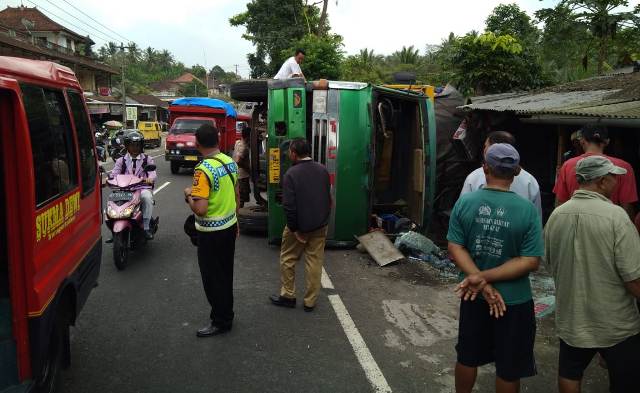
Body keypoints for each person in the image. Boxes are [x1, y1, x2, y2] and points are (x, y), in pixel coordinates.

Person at [447, 143, 543, 393]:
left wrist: (479, 280)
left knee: (467, 356)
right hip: (514, 301)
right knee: (509, 367)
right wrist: (485, 280)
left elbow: (455, 247)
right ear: (517, 171)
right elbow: (530, 261)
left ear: (485, 167)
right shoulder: (527, 211)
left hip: (473, 294)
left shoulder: (465, 203)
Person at [544, 155, 640, 393]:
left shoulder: (557, 215)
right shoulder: (617, 217)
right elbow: (632, 277)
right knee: (624, 379)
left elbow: (548, 262)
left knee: (570, 372)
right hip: (614, 321)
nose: (616, 182)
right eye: (613, 178)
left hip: (573, 317)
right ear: (602, 181)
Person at [184, 124, 239, 337]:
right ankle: (227, 314)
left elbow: (201, 209)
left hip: (211, 234)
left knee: (212, 278)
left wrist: (188, 194)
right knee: (226, 274)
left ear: (197, 143)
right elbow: (236, 195)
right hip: (229, 227)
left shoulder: (203, 170)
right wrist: (237, 223)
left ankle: (220, 321)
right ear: (217, 141)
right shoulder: (229, 162)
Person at [269, 138, 331, 312]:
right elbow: (328, 199)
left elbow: (289, 205)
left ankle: (288, 295)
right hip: (320, 225)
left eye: (290, 151)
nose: (289, 154)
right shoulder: (322, 170)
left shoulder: (291, 174)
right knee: (314, 262)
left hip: (300, 226)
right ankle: (310, 301)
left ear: (294, 154)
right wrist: (323, 220)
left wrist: (295, 229)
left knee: (288, 259)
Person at [554, 124, 637, 219]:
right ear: (607, 142)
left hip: (576, 227)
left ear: (582, 141)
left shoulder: (567, 166)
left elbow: (560, 204)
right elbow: (627, 209)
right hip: (609, 227)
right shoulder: (624, 167)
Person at [460, 131, 542, 218]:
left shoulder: (474, 177)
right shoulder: (529, 180)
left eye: (486, 146)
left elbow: (462, 213)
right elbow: (536, 221)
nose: (484, 150)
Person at [112, 131, 156, 240]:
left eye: (137, 145)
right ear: (127, 146)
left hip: (142, 189)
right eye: (132, 145)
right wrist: (109, 179)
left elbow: (153, 175)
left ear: (141, 146)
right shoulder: (120, 161)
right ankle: (114, 230)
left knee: (147, 197)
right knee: (112, 202)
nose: (135, 148)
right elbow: (114, 174)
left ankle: (146, 227)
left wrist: (149, 179)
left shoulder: (147, 159)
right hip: (124, 189)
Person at [233, 126, 251, 208]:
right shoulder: (243, 147)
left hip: (237, 174)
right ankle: (239, 214)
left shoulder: (237, 143)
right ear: (248, 137)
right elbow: (238, 160)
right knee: (241, 198)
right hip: (242, 175)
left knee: (239, 197)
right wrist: (248, 169)